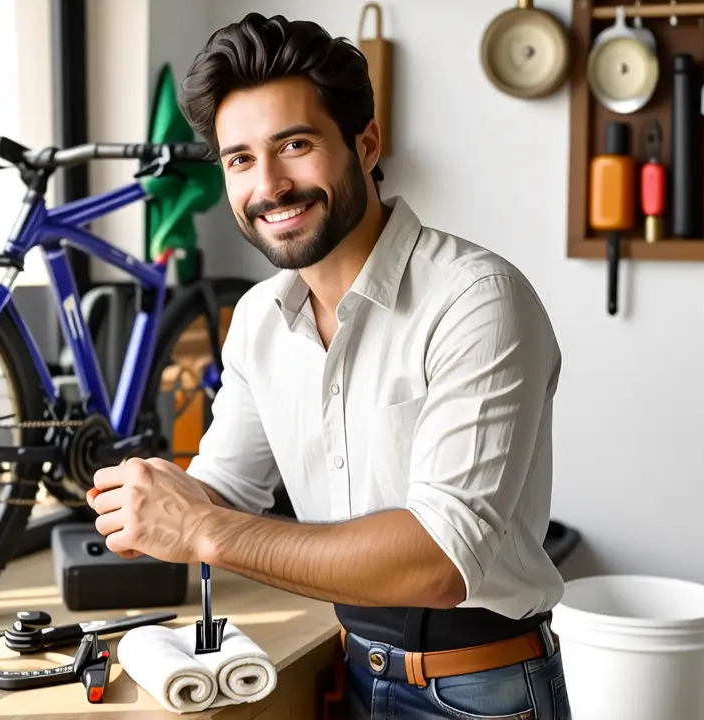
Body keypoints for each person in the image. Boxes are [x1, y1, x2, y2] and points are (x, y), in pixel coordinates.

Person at [87, 12, 570, 719]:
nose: (270, 186)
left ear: (365, 143)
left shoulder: (478, 301)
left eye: (295, 144)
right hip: (349, 669)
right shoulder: (257, 320)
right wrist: (152, 500)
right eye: (240, 159)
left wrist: (200, 528)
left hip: (480, 692)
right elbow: (224, 493)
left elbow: (439, 561)